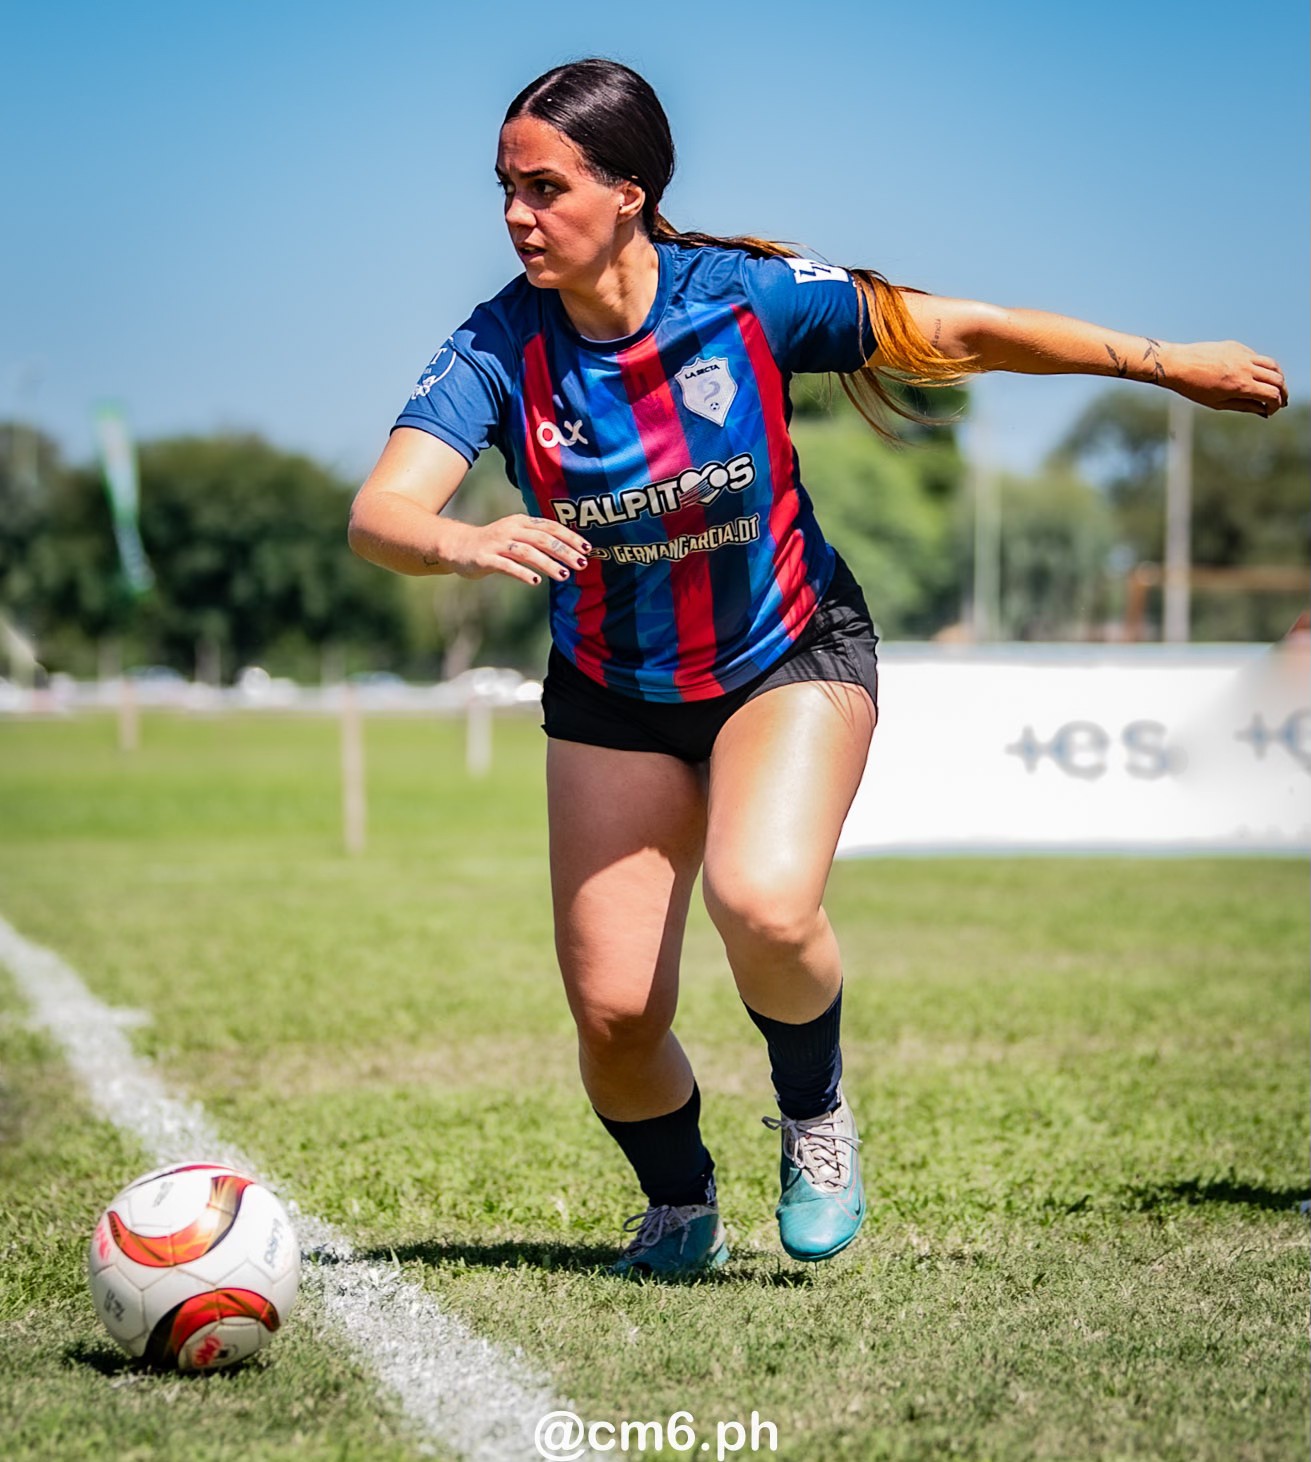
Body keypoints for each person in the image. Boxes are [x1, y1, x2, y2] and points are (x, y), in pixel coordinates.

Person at [348, 58, 1287, 1279]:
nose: (518, 215)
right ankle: (680, 1204)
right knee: (619, 1016)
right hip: (612, 694)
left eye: (545, 187)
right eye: (505, 189)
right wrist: (460, 537)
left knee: (764, 898)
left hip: (788, 651)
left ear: (630, 190)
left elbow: (960, 329)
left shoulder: (744, 301)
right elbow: (381, 512)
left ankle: (816, 1114)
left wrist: (1163, 362)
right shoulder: (497, 344)